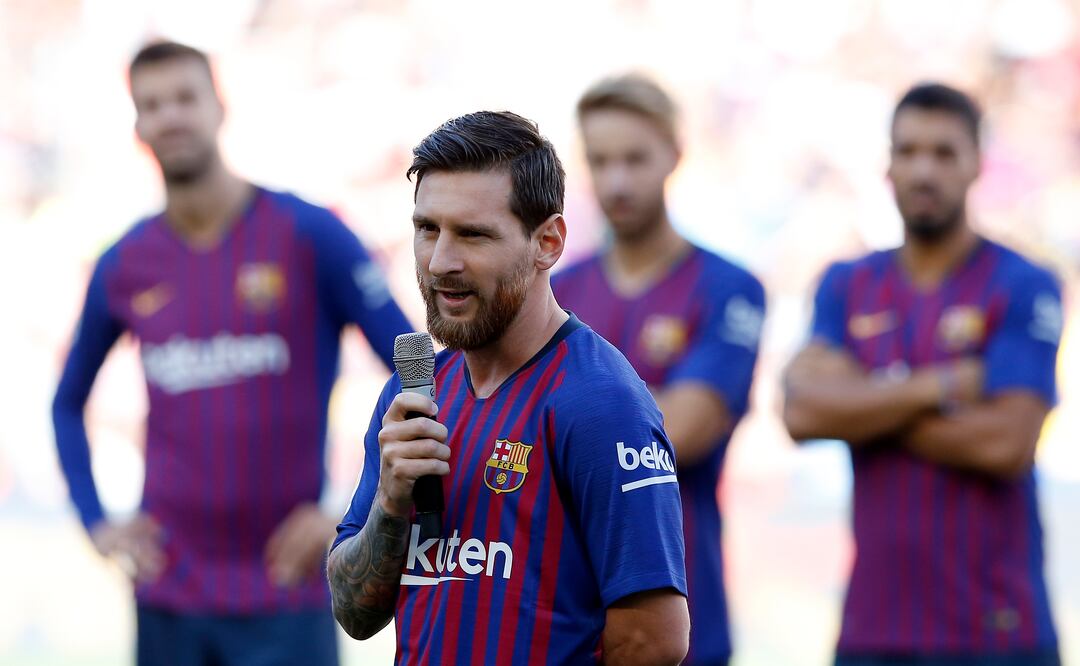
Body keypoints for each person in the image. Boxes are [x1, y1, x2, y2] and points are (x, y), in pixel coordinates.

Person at [51, 41, 413, 665]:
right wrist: (96, 521)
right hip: (170, 593)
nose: (171, 116)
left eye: (185, 98)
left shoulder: (308, 233)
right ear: (137, 125)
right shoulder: (126, 263)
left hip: (286, 590)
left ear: (219, 106)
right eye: (152, 104)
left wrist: (345, 508)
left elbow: (415, 362)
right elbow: (66, 403)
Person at [327, 110, 690, 665]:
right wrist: (391, 502)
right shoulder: (415, 395)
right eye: (427, 229)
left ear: (548, 242)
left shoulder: (597, 401)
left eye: (472, 234)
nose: (441, 261)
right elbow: (355, 614)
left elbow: (655, 639)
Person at [783, 83, 1064, 666]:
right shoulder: (846, 284)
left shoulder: (1022, 285)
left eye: (943, 152)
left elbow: (1005, 443)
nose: (923, 170)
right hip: (874, 629)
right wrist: (940, 386)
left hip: (997, 630)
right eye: (907, 152)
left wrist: (861, 403)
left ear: (977, 164)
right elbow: (802, 413)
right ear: (887, 166)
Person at [552, 74, 765, 666]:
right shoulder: (554, 291)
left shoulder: (728, 288)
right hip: (562, 621)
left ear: (675, 153)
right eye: (600, 161)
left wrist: (556, 425)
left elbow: (685, 431)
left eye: (634, 159)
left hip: (681, 618)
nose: (616, 181)